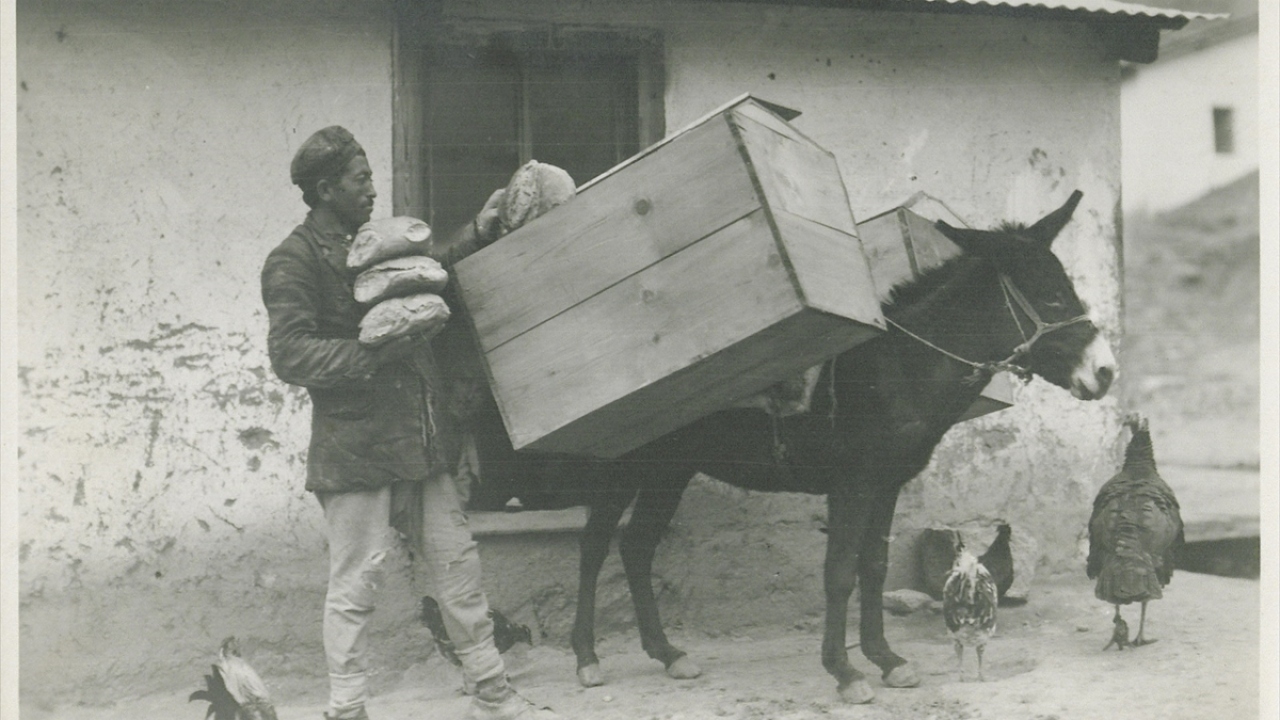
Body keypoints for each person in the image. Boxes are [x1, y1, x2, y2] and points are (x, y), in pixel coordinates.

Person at [261, 126, 558, 720]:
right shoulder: (293, 260)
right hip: (358, 445)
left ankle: (492, 692)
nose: (372, 188)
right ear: (325, 189)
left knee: (458, 565)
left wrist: (478, 231)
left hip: (421, 438)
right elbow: (290, 354)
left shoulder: (379, 239)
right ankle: (346, 709)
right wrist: (373, 353)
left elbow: (431, 271)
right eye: (359, 179)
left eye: (371, 176)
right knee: (356, 584)